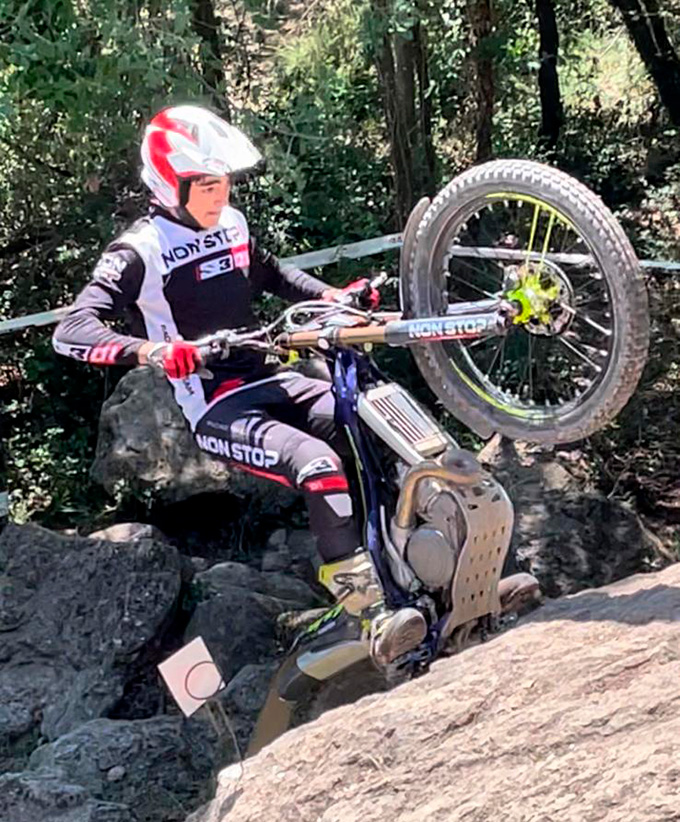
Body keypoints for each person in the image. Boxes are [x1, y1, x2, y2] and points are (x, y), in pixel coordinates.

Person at [52, 104, 428, 666]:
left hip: (274, 376)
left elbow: (272, 274)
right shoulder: (138, 251)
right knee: (318, 465)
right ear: (168, 184)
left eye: (224, 182)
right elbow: (71, 330)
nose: (219, 195)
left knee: (376, 424)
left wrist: (333, 298)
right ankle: (370, 614)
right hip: (217, 407)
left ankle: (425, 572)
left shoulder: (231, 223)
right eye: (205, 185)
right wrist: (153, 351)